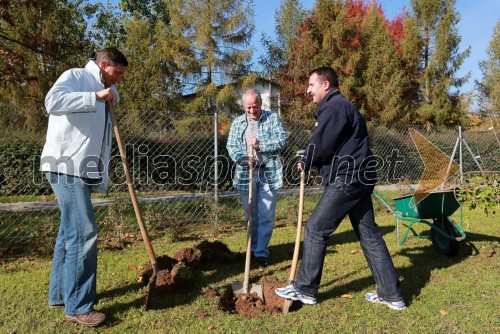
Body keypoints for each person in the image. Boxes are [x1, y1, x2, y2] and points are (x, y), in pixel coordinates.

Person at [275, 67, 406, 310]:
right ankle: (391, 294)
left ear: (325, 85)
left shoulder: (334, 107)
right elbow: (333, 141)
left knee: (316, 228)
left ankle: (305, 289)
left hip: (348, 177)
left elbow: (322, 141)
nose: (308, 90)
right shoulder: (343, 106)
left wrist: (306, 160)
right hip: (360, 177)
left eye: (312, 85)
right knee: (370, 235)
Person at [40, 47, 128, 327]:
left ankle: (60, 295)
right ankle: (79, 306)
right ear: (104, 65)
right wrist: (96, 96)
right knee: (84, 232)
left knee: (69, 232)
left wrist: (107, 94)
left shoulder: (105, 87)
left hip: (82, 169)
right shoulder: (76, 76)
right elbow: (52, 101)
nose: (119, 79)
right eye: (117, 73)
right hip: (65, 165)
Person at [227, 88, 288, 267]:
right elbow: (231, 147)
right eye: (248, 108)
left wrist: (261, 145)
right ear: (244, 106)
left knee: (267, 214)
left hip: (268, 172)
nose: (252, 111)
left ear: (261, 104)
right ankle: (252, 250)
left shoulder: (272, 118)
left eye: (255, 107)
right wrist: (244, 159)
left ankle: (261, 253)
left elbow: (282, 139)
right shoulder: (238, 123)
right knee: (250, 214)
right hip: (247, 174)